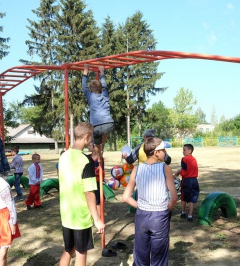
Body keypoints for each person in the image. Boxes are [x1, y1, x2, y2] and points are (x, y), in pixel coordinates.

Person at [122, 137, 178, 266]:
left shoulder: (137, 169)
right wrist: (165, 209)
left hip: (142, 215)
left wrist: (140, 206)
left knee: (141, 256)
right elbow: (174, 197)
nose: (165, 152)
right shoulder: (165, 168)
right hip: (159, 217)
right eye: (163, 150)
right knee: (159, 257)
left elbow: (125, 197)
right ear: (157, 152)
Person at [58, 122, 105, 266]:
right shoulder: (86, 161)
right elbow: (89, 193)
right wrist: (97, 219)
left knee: (68, 249)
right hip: (80, 216)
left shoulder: (63, 156)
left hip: (66, 214)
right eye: (90, 138)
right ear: (86, 136)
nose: (91, 142)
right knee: (80, 252)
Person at [82, 64, 114, 157]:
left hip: (96, 126)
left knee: (96, 142)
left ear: (91, 89)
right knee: (104, 134)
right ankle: (101, 149)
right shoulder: (105, 94)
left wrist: (85, 71)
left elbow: (84, 86)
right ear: (101, 88)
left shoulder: (90, 96)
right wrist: (102, 72)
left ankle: (99, 156)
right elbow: (104, 84)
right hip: (108, 123)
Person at [173, 144, 199, 222]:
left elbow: (184, 172)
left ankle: (183, 212)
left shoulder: (184, 159)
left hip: (187, 181)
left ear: (190, 151)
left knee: (184, 197)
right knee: (192, 199)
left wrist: (178, 172)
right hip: (194, 180)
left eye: (184, 150)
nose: (183, 151)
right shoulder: (194, 159)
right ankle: (190, 215)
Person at [88, 142, 105, 217]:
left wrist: (94, 171)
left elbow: (101, 170)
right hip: (89, 181)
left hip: (97, 182)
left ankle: (99, 217)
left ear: (95, 147)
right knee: (90, 199)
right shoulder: (88, 157)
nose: (88, 147)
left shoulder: (100, 158)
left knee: (98, 201)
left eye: (90, 145)